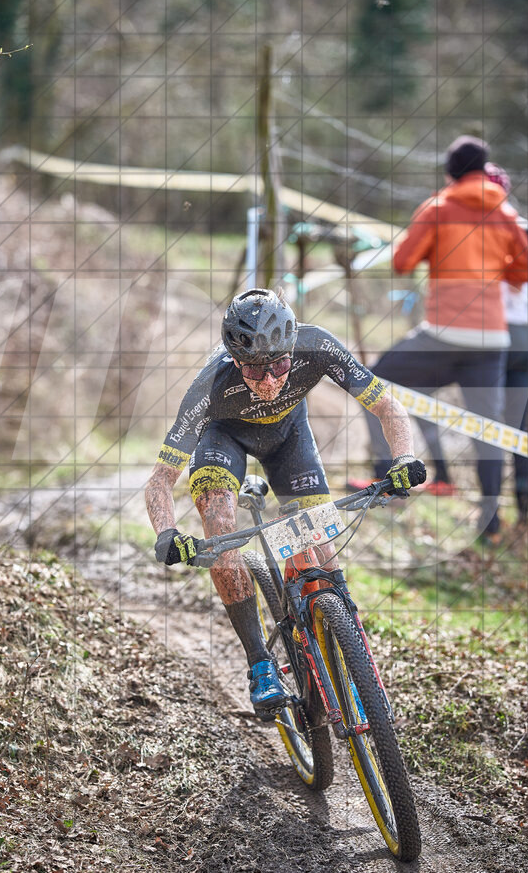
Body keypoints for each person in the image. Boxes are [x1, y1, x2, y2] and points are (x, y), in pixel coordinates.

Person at [145, 288, 426, 716]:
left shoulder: (316, 346)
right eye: (255, 371)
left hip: (289, 440)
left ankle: (351, 657)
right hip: (225, 439)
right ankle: (260, 663)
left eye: (278, 365)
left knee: (320, 554)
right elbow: (160, 481)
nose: (271, 381)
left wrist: (403, 456)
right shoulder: (210, 387)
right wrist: (166, 532)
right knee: (220, 527)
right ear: (236, 362)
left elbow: (389, 408)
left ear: (292, 349)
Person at [353, 136, 528, 544]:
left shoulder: (438, 208)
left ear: (450, 172)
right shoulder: (505, 213)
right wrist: (495, 267)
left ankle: (388, 477)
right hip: (493, 340)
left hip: (443, 334)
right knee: (488, 430)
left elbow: (403, 261)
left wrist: (436, 253)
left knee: (374, 382)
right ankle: (490, 525)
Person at [417, 163, 528, 529]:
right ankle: (523, 510)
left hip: (497, 336)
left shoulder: (484, 227)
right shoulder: (526, 228)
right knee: (519, 429)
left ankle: (489, 514)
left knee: (487, 428)